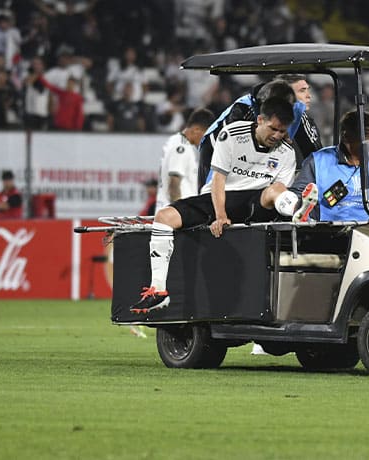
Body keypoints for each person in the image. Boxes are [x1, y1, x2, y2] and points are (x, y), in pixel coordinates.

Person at [129, 97, 317, 314]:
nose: (277, 135)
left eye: (282, 132)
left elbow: (279, 189)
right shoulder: (232, 134)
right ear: (260, 120)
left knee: (276, 191)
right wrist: (220, 215)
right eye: (273, 129)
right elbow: (218, 178)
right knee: (163, 217)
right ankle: (159, 291)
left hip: (255, 203)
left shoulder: (286, 152)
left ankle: (298, 212)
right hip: (220, 197)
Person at [196, 78, 307, 190]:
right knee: (210, 191)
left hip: (260, 154)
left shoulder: (294, 107)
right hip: (214, 146)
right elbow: (229, 145)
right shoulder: (243, 109)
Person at [289, 110, 369, 222]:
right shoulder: (318, 161)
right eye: (367, 134)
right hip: (332, 231)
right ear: (346, 136)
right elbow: (297, 197)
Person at [155, 107, 216, 211]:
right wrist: (182, 213)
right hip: (174, 217)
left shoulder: (182, 144)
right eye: (205, 134)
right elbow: (174, 184)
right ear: (196, 130)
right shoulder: (181, 147)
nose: (206, 139)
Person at [277, 74, 323, 162]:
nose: (308, 95)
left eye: (307, 90)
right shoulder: (290, 119)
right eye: (302, 91)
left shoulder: (305, 118)